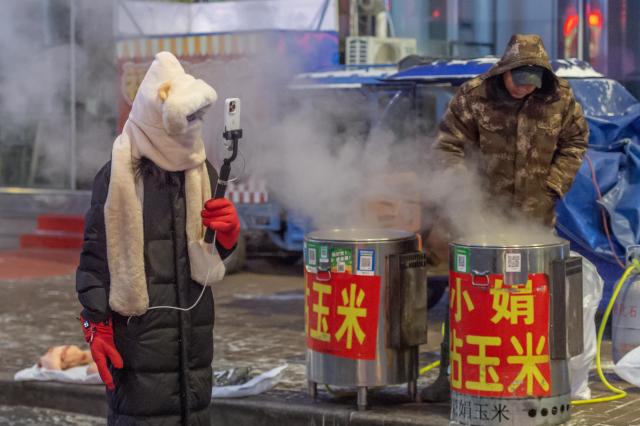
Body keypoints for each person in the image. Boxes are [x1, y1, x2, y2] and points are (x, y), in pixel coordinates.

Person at [421, 34, 589, 402]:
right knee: (468, 297)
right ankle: (451, 375)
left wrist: (553, 186)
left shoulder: (559, 98)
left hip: (534, 217)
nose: (524, 89)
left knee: (527, 301)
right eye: (519, 81)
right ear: (505, 71)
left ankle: (523, 376)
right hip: (478, 216)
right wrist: (462, 195)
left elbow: (575, 143)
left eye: (533, 83)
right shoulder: (474, 96)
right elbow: (447, 145)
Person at [76, 51, 240, 425]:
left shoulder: (204, 172)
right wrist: (95, 323)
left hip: (193, 342)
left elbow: (210, 251)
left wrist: (229, 234)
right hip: (138, 346)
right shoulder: (115, 176)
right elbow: (94, 259)